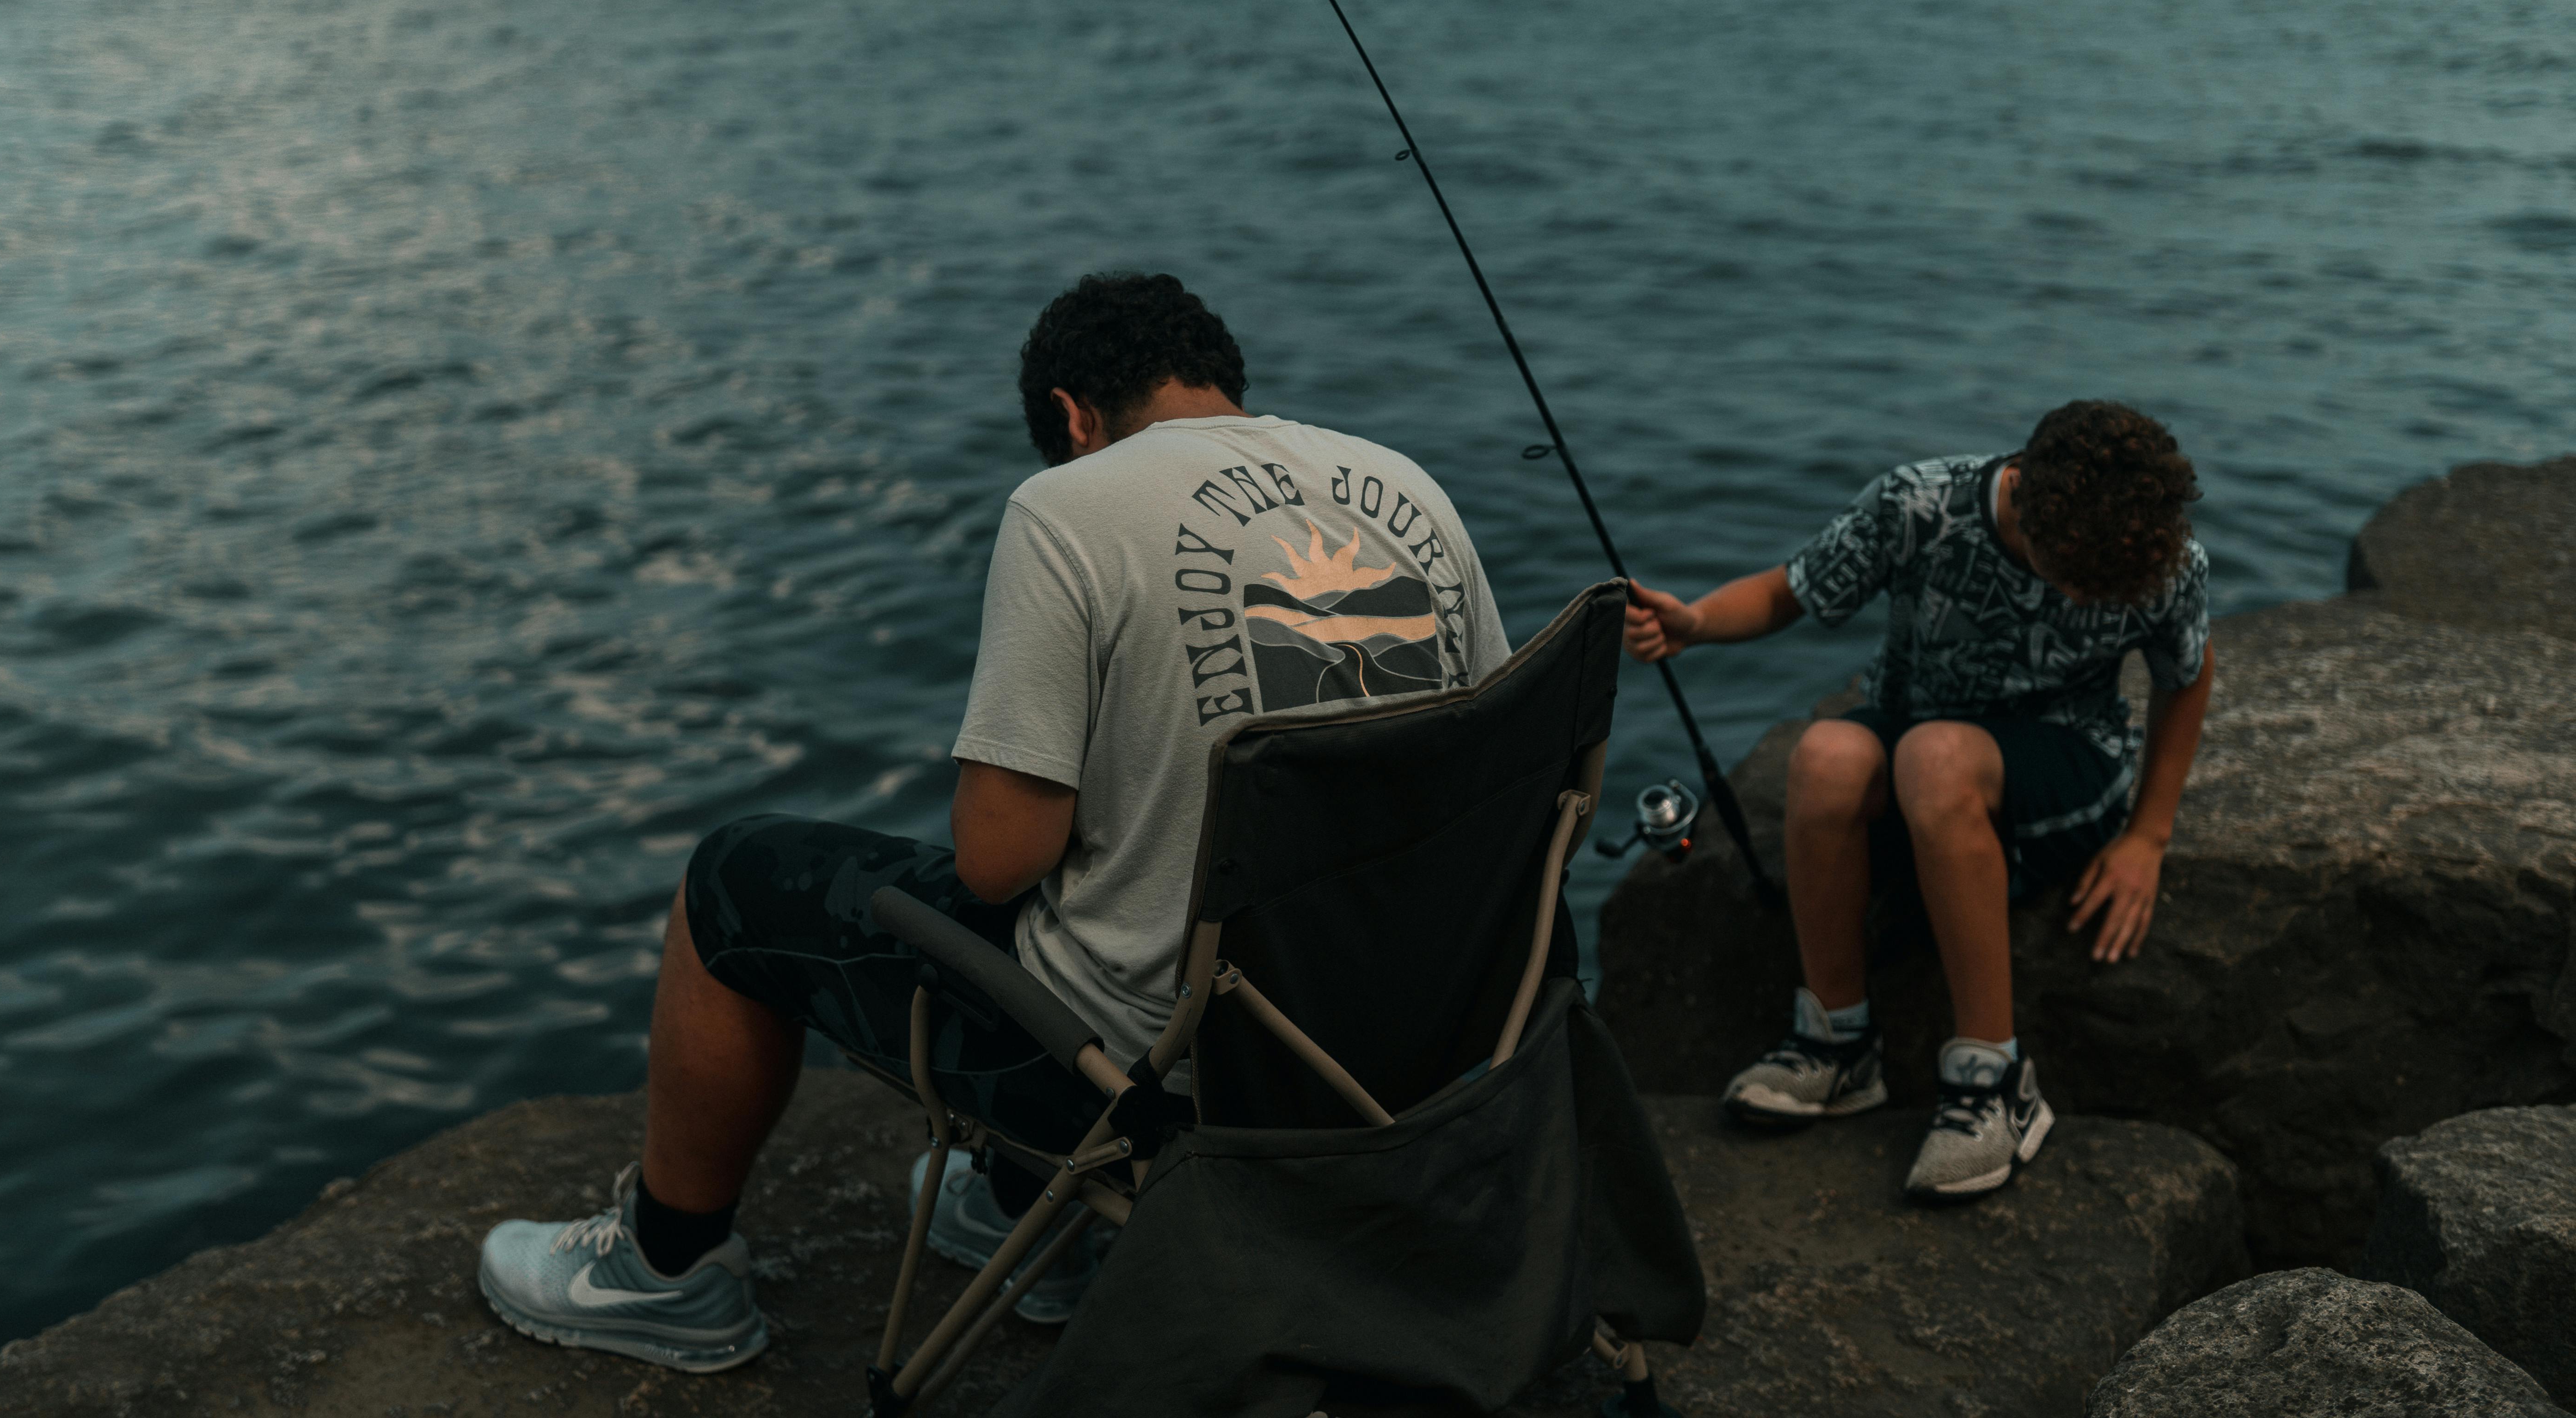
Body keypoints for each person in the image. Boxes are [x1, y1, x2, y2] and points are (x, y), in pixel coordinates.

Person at [475, 272, 1509, 1370]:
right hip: (1398, 1052)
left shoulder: (1070, 507)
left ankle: (669, 1271)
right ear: (1221, 379)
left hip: (1178, 1082)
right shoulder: (1406, 484)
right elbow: (1499, 785)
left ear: (1071, 416)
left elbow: (999, 859)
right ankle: (1029, 1214)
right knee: (1122, 881)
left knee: (732, 879)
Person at [1624, 401, 2211, 1203]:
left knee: (1935, 760)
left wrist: (2149, 834)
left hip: (2063, 762)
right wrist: (1694, 621)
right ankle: (1837, 1043)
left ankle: (1993, 1078)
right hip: (1917, 743)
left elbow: (2187, 675)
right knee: (1827, 756)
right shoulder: (1918, 505)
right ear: (2024, 505)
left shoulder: (2154, 548)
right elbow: (1790, 591)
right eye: (2072, 575)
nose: (2091, 594)